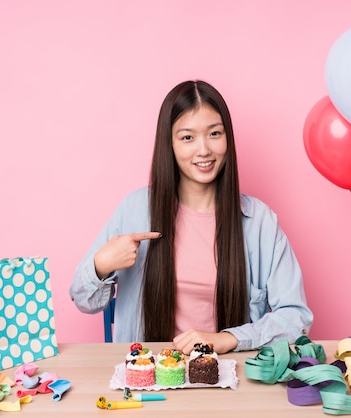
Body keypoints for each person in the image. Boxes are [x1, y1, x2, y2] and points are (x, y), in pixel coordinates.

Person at [69, 80, 313, 354]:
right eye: (187, 137)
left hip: (230, 382)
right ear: (169, 144)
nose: (203, 150)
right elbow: (82, 299)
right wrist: (102, 265)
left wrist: (228, 339)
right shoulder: (135, 210)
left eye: (214, 134)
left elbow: (297, 319)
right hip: (149, 380)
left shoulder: (260, 223)